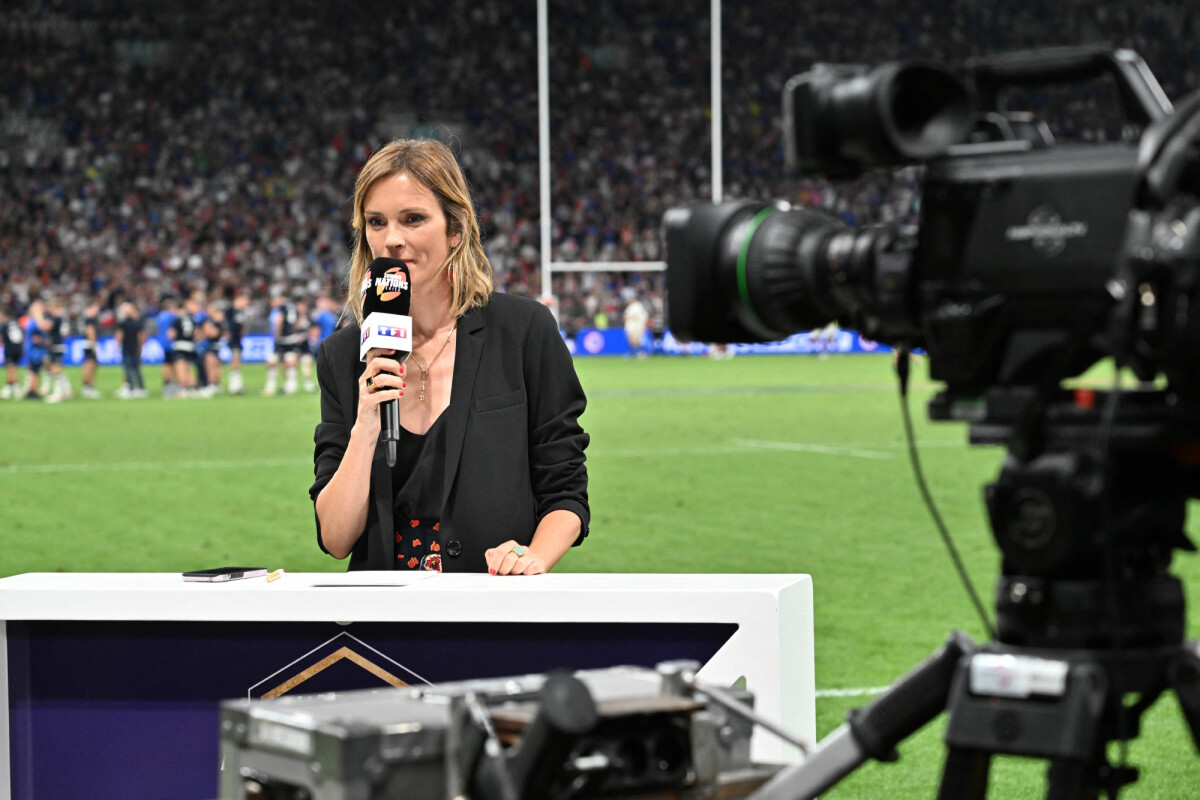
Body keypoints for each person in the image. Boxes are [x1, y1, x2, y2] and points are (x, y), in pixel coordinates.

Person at [310, 138, 589, 575]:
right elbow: (336, 538)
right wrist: (365, 426)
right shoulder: (344, 355)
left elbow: (566, 491)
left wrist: (531, 556)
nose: (392, 239)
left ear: (455, 229)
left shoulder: (522, 331)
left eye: (413, 219)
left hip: (491, 608)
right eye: (376, 222)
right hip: (382, 622)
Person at [115, 300, 147, 398]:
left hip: (127, 348)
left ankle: (131, 388)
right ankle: (141, 388)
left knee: (127, 369)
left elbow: (120, 335)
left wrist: (117, 346)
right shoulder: (137, 323)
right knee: (137, 369)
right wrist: (140, 347)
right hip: (135, 348)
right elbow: (141, 336)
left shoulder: (123, 323)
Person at [79, 299, 102, 399]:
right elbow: (90, 332)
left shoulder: (86, 318)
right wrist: (94, 345)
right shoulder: (89, 319)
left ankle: (87, 387)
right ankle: (88, 387)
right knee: (91, 365)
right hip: (90, 344)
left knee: (89, 365)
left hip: (87, 344)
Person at [1, 305, 24, 399]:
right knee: (13, 368)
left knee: (10, 369)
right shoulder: (16, 323)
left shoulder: (4, 325)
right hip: (18, 349)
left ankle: (16, 390)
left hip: (10, 349)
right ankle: (10, 388)